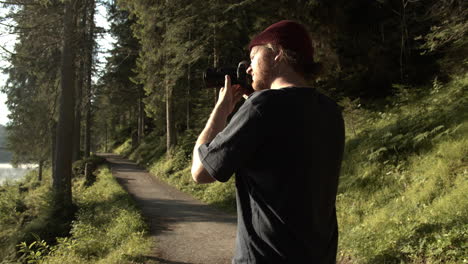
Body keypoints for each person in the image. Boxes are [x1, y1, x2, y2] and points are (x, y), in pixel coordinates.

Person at [191, 20, 345, 264]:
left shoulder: (261, 107)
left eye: (253, 57)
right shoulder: (330, 110)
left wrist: (221, 110)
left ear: (277, 55)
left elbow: (201, 172)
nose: (249, 69)